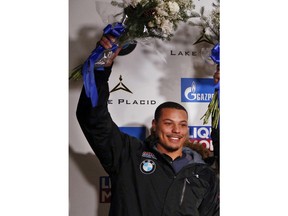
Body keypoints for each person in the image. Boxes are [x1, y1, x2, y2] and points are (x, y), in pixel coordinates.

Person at [76, 35, 220, 216]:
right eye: (169, 123)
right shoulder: (128, 155)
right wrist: (100, 70)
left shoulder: (204, 173)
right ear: (155, 125)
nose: (176, 130)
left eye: (182, 125)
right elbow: (93, 119)